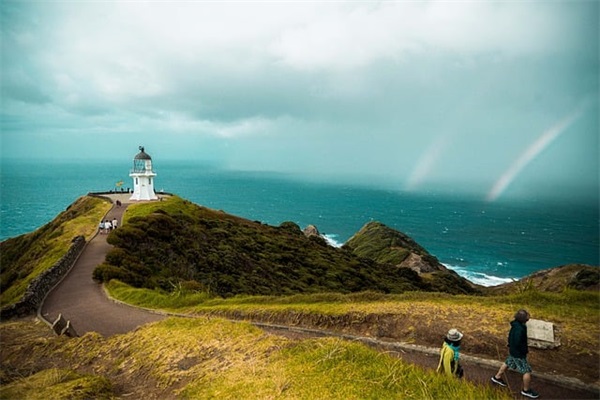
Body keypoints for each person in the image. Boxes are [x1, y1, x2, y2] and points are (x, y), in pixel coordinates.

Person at [491, 309, 539, 399]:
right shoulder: (520, 329)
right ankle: (526, 390)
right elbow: (517, 342)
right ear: (523, 319)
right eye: (527, 316)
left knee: (508, 362)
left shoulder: (515, 325)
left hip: (513, 351)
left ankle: (497, 377)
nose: (529, 317)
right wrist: (523, 350)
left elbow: (511, 337)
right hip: (518, 353)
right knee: (526, 371)